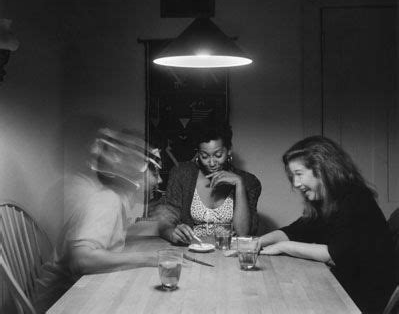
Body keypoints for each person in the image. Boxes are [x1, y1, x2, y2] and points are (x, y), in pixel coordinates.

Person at [259, 135, 396, 314]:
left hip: (366, 297)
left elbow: (335, 254)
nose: (296, 183)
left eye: (299, 174)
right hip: (346, 285)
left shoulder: (355, 199)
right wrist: (257, 242)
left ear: (321, 169)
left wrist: (283, 246)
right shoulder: (327, 200)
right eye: (292, 177)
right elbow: (294, 231)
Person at [34, 128, 162, 313]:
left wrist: (161, 227)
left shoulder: (115, 199)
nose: (158, 181)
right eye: (154, 173)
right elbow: (82, 259)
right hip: (59, 302)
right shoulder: (107, 201)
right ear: (136, 174)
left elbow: (114, 234)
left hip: (77, 293)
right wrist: (149, 258)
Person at [157, 121, 261, 244]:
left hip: (228, 252)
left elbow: (243, 233)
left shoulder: (249, 182)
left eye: (218, 155)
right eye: (204, 156)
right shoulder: (181, 174)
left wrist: (239, 184)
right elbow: (164, 224)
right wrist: (172, 233)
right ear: (198, 153)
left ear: (229, 150)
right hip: (192, 249)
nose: (212, 163)